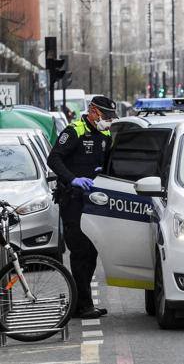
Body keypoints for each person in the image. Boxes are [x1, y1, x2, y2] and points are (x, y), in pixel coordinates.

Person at [48, 96, 117, 318]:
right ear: (93, 111)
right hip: (73, 200)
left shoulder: (105, 134)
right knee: (79, 252)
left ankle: (81, 302)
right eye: (105, 116)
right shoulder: (74, 130)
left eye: (110, 117)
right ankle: (83, 305)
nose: (108, 121)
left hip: (93, 201)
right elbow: (54, 159)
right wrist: (72, 179)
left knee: (91, 252)